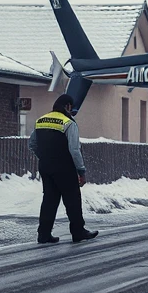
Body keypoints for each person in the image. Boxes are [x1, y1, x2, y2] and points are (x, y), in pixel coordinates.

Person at [30, 94, 99, 244]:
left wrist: (44, 157)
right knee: (72, 199)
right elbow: (74, 149)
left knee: (49, 200)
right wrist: (81, 170)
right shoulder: (69, 123)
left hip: (45, 167)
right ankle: (78, 231)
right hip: (64, 167)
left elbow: (32, 144)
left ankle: (43, 234)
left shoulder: (40, 121)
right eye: (71, 108)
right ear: (67, 106)